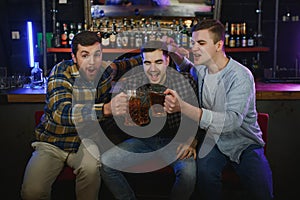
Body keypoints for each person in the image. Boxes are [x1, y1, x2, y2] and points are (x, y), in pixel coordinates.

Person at [21, 31, 142, 200]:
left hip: (86, 141)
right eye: (85, 55)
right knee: (31, 192)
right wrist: (105, 109)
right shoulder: (61, 72)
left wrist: (157, 53)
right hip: (53, 143)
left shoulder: (105, 72)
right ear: (74, 57)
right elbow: (61, 113)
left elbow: (127, 64)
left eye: (97, 55)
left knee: (91, 170)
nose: (92, 63)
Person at [164, 19, 274, 200]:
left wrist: (182, 107)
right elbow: (187, 67)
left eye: (201, 43)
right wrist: (174, 52)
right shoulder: (201, 69)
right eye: (193, 43)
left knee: (261, 189)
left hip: (244, 142)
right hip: (213, 140)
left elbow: (231, 122)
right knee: (205, 176)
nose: (194, 49)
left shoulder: (240, 76)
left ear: (218, 45)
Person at [100, 40, 200, 200]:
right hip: (143, 141)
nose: (153, 69)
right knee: (106, 164)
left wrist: (191, 140)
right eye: (147, 63)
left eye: (158, 62)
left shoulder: (185, 81)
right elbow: (113, 121)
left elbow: (197, 118)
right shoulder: (133, 82)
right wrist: (124, 121)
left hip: (175, 141)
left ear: (168, 61)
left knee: (188, 175)